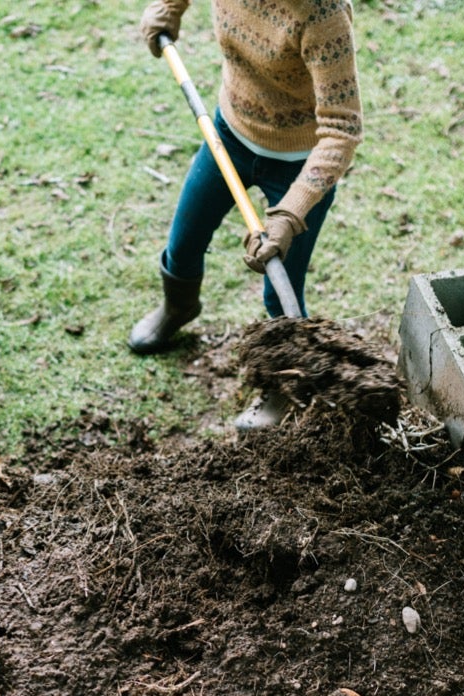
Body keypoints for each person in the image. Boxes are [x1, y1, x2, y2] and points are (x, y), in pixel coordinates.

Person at [130, 0, 363, 428]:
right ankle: (178, 308)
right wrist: (168, 6)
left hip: (298, 164)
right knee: (183, 244)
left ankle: (282, 384)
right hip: (228, 135)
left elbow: (343, 129)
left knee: (281, 292)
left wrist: (290, 214)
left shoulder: (323, 15)